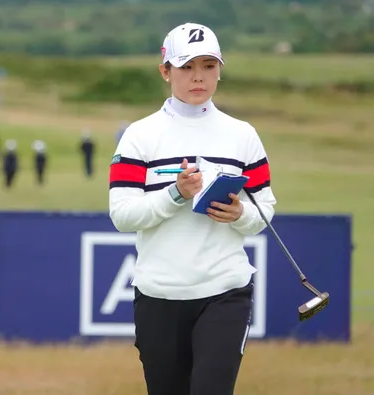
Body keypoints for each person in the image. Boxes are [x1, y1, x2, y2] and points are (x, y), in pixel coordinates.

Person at [108, 22, 277, 395]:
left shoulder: (243, 135)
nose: (198, 76)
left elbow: (264, 210)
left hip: (225, 290)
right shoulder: (139, 135)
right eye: (186, 67)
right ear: (165, 71)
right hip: (159, 295)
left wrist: (241, 215)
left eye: (208, 66)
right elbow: (122, 214)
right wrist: (175, 194)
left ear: (219, 70)